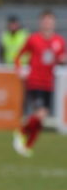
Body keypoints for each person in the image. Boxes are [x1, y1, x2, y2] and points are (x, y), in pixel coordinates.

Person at [13, 9, 66, 157]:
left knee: (41, 118)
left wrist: (62, 60)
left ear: (54, 23)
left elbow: (61, 59)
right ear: (40, 22)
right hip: (35, 82)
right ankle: (21, 132)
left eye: (50, 21)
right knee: (40, 114)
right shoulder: (33, 39)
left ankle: (27, 145)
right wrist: (19, 70)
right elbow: (18, 56)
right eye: (45, 21)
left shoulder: (59, 41)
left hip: (49, 83)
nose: (48, 24)